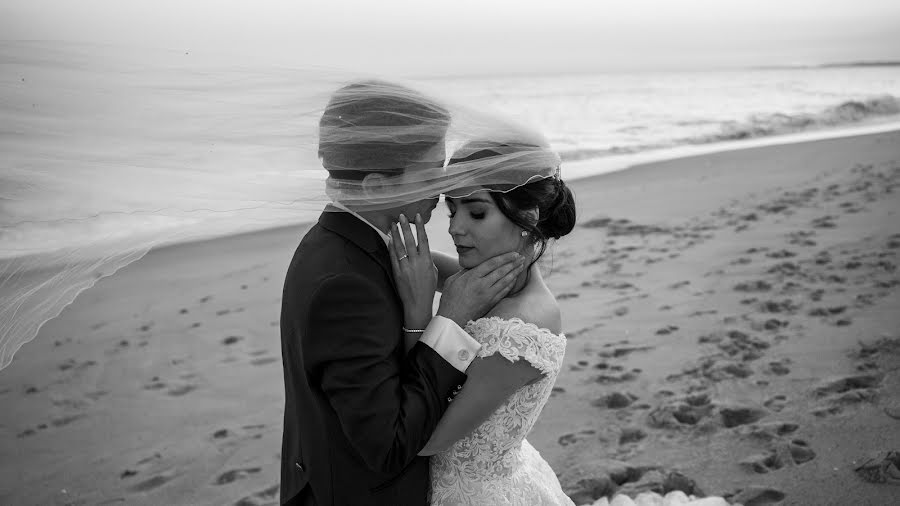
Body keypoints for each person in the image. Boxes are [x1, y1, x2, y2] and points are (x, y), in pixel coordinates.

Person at [278, 81, 529, 505]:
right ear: (377, 187)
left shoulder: (349, 244)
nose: (445, 185)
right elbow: (389, 445)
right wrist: (448, 320)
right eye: (432, 172)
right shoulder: (346, 286)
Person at [388, 141, 578, 505]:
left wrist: (421, 316)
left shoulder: (517, 332)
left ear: (529, 217)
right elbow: (431, 269)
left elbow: (425, 441)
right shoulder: (496, 279)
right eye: (452, 210)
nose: (456, 228)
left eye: (476, 214)